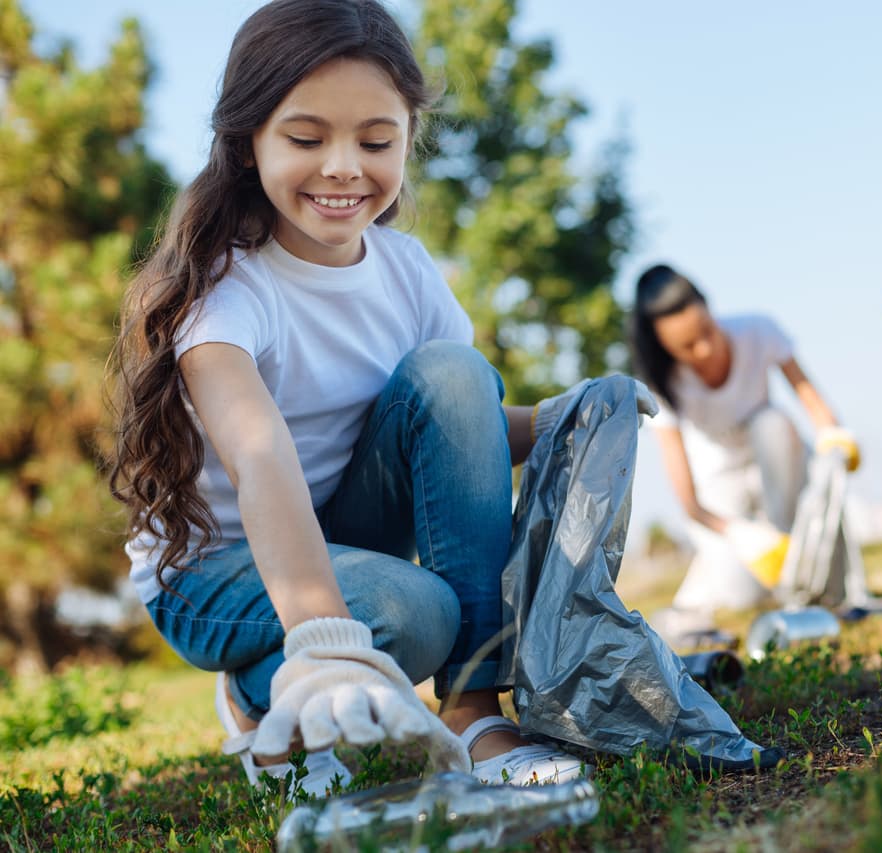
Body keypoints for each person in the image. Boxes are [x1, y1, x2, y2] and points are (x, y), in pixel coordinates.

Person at [111, 0, 588, 796]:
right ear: (247, 141)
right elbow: (260, 455)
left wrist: (562, 421)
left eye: (375, 141)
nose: (343, 168)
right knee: (418, 613)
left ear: (407, 139)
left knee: (452, 369)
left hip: (342, 529)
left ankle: (474, 709)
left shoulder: (404, 270)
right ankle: (265, 686)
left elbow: (462, 427)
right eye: (306, 139)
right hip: (216, 569)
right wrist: (326, 639)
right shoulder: (225, 288)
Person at [628, 264, 860, 625]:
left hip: (779, 465)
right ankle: (734, 570)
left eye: (707, 331)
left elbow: (811, 400)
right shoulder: (663, 383)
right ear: (665, 347)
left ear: (709, 307)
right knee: (741, 595)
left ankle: (795, 556)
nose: (703, 349)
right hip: (721, 493)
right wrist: (740, 534)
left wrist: (834, 436)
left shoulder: (757, 331)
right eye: (687, 346)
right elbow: (690, 502)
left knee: (772, 422)